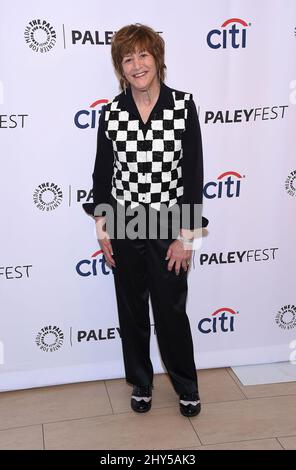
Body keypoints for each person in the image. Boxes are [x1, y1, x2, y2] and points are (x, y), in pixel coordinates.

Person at [84, 23, 208, 417]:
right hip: (124, 222)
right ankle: (141, 382)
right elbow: (103, 175)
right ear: (121, 68)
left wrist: (186, 236)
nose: (137, 65)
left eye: (143, 55)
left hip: (170, 222)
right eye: (127, 58)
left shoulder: (183, 105)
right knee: (133, 311)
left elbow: (192, 174)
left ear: (157, 59)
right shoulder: (111, 113)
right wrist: (102, 228)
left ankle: (186, 385)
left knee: (171, 311)